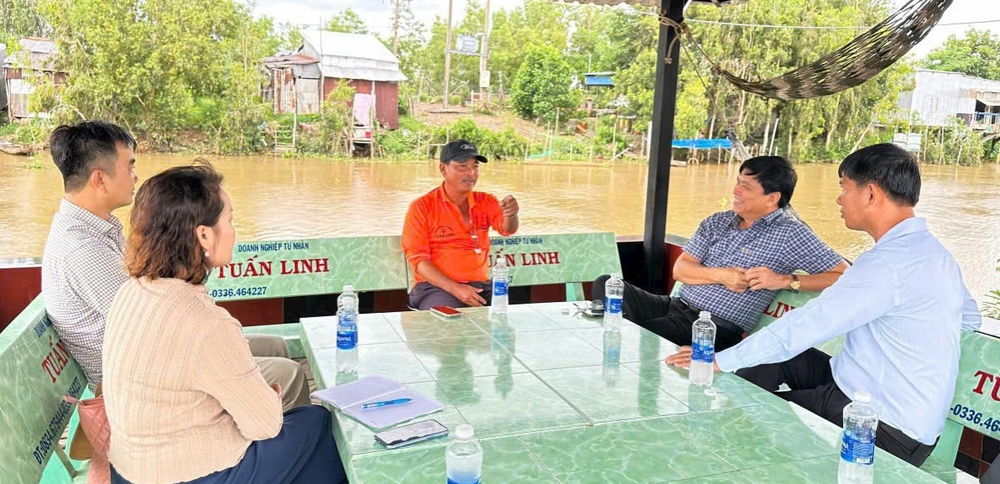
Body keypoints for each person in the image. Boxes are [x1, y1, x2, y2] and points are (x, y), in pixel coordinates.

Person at [666, 143, 982, 466]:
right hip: (881, 400)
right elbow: (971, 319)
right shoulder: (935, 255)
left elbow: (809, 324)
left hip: (879, 426)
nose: (839, 199)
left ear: (871, 194)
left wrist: (719, 360)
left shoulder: (885, 265)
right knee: (767, 365)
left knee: (752, 418)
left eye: (844, 188)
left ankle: (723, 454)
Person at [103, 163, 346, 484]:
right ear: (204, 234)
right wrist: (266, 399)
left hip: (127, 471)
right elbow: (265, 425)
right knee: (317, 423)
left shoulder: (131, 291)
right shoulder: (205, 322)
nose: (233, 230)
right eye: (229, 220)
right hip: (190, 477)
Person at [40, 121, 308, 410]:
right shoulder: (82, 249)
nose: (135, 176)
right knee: (288, 374)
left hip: (157, 357)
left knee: (275, 346)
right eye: (129, 167)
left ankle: (276, 437)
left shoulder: (96, 229)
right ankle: (274, 446)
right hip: (142, 384)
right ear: (100, 180)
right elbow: (149, 325)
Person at [594, 155, 848, 351]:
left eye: (746, 188)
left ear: (772, 199)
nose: (735, 192)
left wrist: (785, 280)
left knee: (636, 336)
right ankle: (626, 337)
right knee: (606, 284)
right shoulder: (718, 222)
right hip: (676, 305)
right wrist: (722, 276)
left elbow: (843, 274)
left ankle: (625, 343)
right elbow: (680, 270)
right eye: (738, 183)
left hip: (713, 327)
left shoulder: (791, 234)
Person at [402, 139, 520, 309]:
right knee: (454, 321)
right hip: (435, 288)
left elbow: (507, 229)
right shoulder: (422, 207)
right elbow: (419, 261)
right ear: (443, 169)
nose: (471, 173)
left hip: (481, 286)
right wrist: (456, 289)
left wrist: (511, 213)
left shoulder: (485, 201)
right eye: (462, 166)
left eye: (475, 166)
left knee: (515, 317)